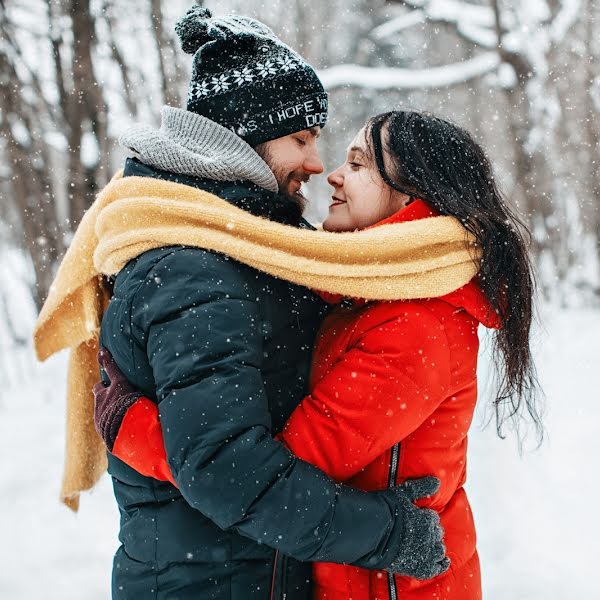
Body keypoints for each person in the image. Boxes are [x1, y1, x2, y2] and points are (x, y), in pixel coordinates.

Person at [94, 110, 541, 599]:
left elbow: (250, 476)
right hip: (356, 575)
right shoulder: (366, 294)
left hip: (393, 586)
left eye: (359, 163)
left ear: (413, 196)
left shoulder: (416, 326)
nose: (332, 172)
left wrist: (130, 425)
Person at [92, 8, 450, 599]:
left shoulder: (252, 247)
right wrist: (384, 534)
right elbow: (225, 469)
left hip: (248, 574)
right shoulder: (195, 266)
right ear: (247, 136)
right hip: (210, 583)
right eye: (301, 139)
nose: (316, 163)